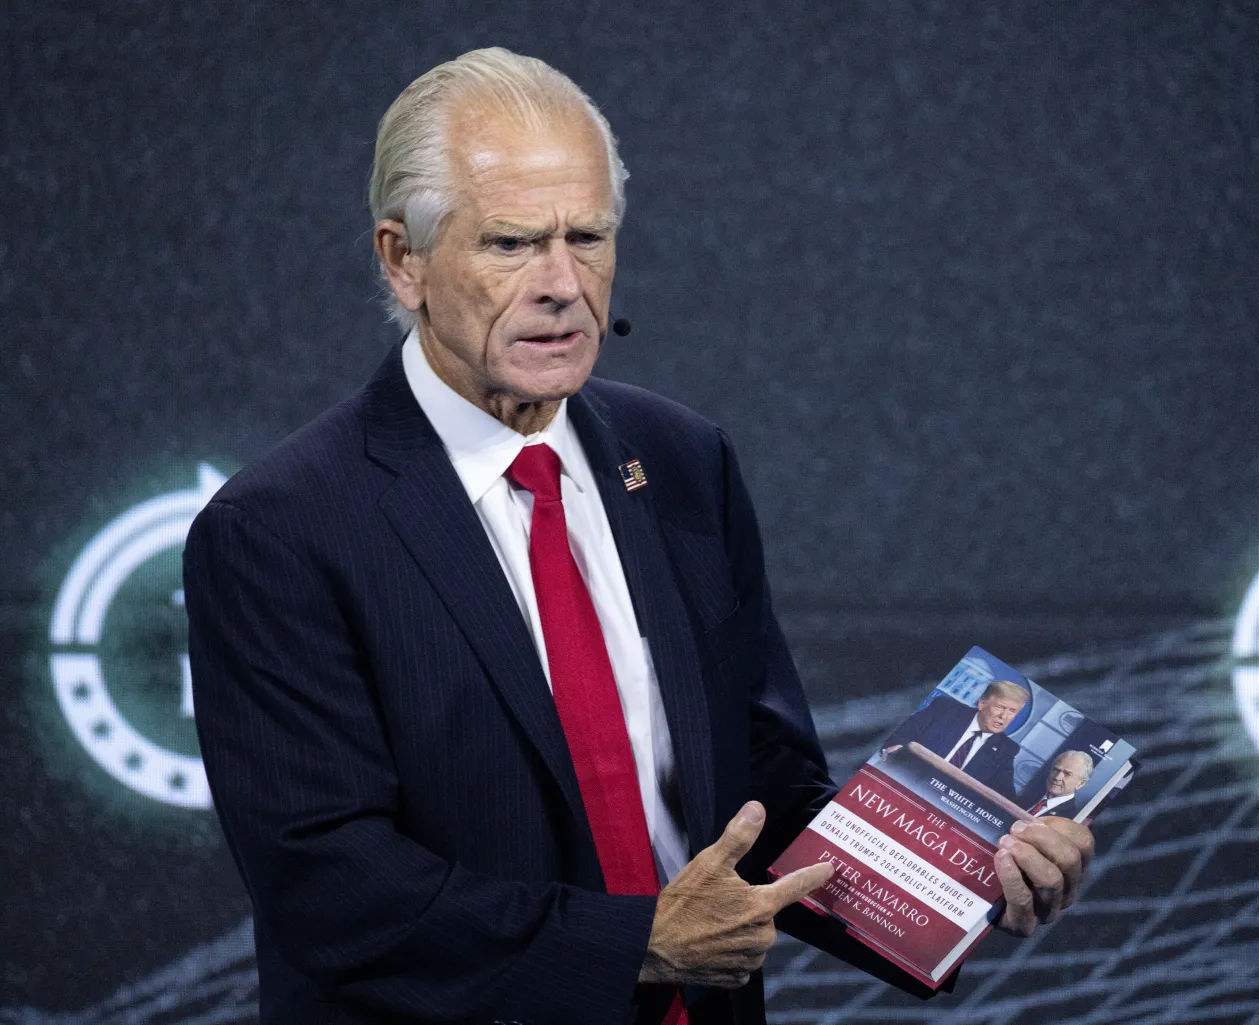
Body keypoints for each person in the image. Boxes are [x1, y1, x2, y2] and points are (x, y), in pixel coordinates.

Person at [183, 47, 1094, 1025]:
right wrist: (638, 943)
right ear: (403, 260)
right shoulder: (279, 529)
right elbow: (330, 887)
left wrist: (959, 880)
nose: (562, 283)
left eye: (587, 236)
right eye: (511, 243)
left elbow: (760, 788)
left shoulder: (683, 459)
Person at [880, 680, 1029, 798]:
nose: (1004, 717)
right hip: (899, 784)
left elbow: (1005, 797)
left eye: (1012, 711)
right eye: (999, 707)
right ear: (982, 704)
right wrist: (894, 751)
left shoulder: (1006, 749)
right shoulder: (945, 709)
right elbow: (897, 737)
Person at [1025, 750, 1096, 819]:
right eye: (1056, 770)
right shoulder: (1030, 793)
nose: (1057, 777)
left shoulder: (1070, 818)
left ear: (1080, 783)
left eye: (1067, 774)